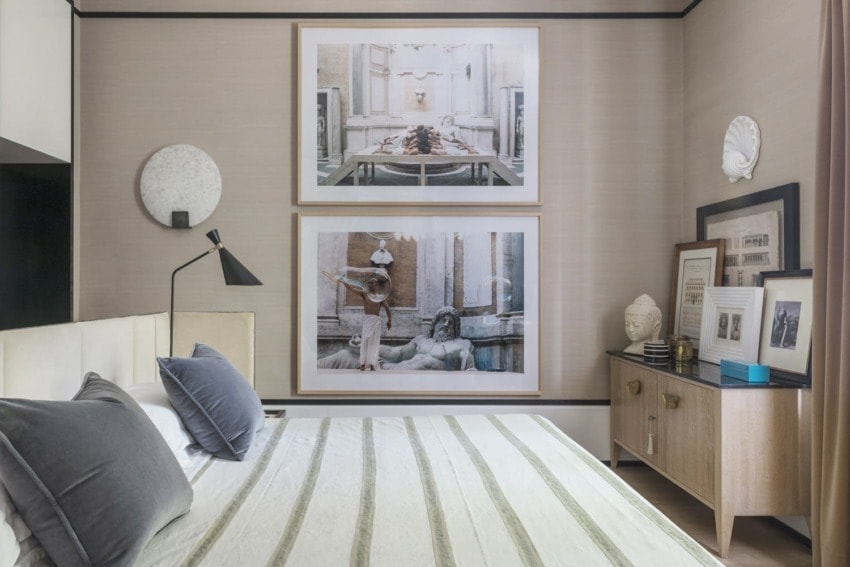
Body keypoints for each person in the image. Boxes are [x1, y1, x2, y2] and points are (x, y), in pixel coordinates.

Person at [380, 306, 476, 371]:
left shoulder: (462, 344)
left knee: (427, 362)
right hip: (399, 373)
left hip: (435, 384)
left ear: (454, 328)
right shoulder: (421, 340)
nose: (446, 324)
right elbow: (397, 353)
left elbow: (470, 368)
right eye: (443, 320)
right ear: (435, 324)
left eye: (450, 322)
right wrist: (373, 349)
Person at [339, 277, 392, 371]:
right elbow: (351, 289)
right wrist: (343, 281)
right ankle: (363, 363)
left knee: (374, 342)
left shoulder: (380, 297)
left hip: (375, 320)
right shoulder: (365, 294)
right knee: (365, 340)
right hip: (367, 320)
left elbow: (387, 308)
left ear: (376, 284)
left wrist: (389, 320)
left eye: (372, 282)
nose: (370, 284)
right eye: (369, 282)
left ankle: (372, 363)